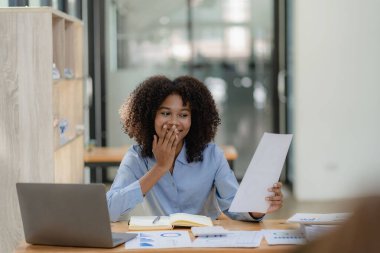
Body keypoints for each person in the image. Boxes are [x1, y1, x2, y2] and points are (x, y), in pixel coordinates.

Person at [106, 75, 283, 222]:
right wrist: (160, 168)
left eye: (183, 115)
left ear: (194, 119)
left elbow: (235, 206)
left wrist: (258, 209)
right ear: (150, 116)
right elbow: (109, 211)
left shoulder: (211, 155)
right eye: (165, 113)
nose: (174, 122)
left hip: (204, 242)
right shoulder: (136, 157)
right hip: (161, 243)